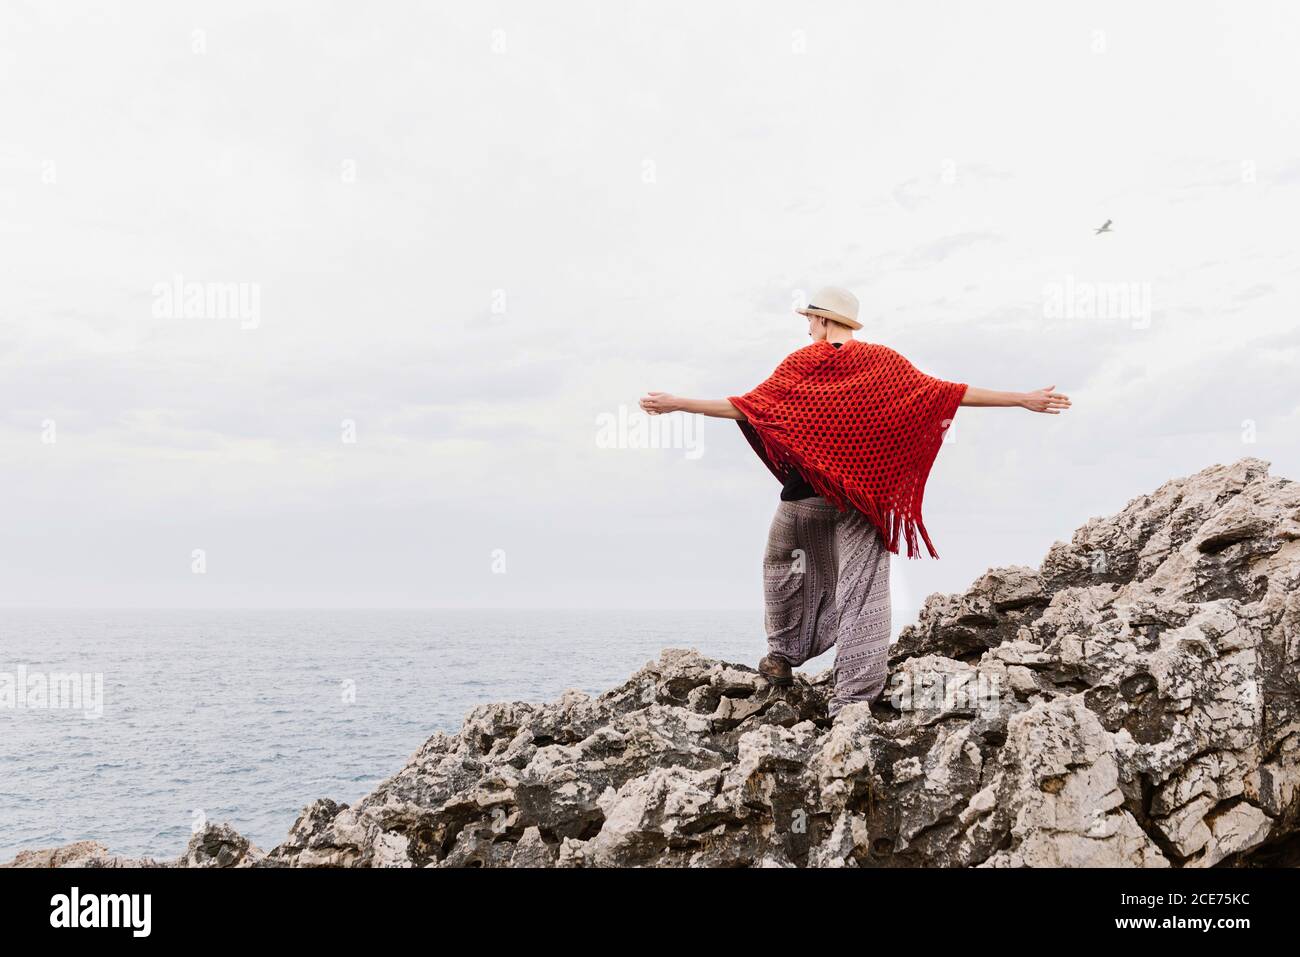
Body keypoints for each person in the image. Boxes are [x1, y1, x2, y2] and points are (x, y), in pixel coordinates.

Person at [639, 285, 1071, 717]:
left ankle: (783, 655)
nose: (808, 328)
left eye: (810, 319)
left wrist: (680, 404)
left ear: (825, 321)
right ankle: (851, 699)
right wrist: (1022, 399)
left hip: (802, 502)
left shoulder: (803, 363)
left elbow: (748, 408)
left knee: (783, 574)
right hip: (860, 506)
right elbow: (948, 394)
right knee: (861, 595)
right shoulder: (884, 363)